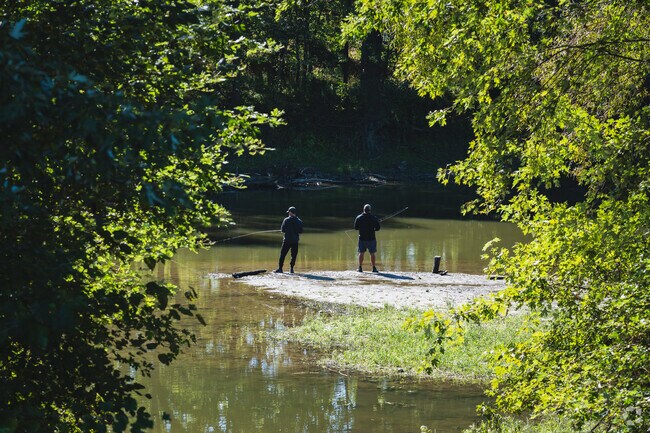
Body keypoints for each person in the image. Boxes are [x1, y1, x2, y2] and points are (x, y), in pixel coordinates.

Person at [274, 206, 303, 274]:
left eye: (289, 212)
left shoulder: (286, 220)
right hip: (295, 241)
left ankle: (280, 269)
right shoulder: (299, 221)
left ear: (290, 212)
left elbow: (283, 230)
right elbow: (300, 231)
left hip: (287, 241)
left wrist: (286, 230)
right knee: (294, 256)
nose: (288, 213)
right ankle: (291, 269)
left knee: (282, 255)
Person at [354, 203, 380, 272]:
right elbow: (378, 228)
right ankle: (374, 268)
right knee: (372, 253)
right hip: (371, 239)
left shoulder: (359, 217)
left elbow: (356, 228)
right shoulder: (374, 218)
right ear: (370, 210)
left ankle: (360, 268)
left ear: (363, 210)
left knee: (361, 253)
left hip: (362, 238)